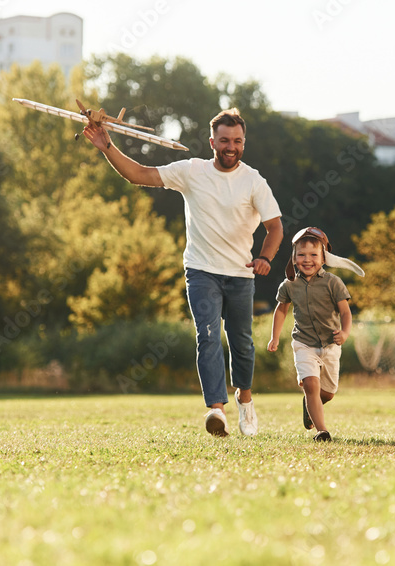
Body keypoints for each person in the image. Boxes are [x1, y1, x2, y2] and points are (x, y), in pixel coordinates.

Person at [83, 108, 282, 438]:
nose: (230, 146)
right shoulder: (192, 171)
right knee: (206, 336)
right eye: (224, 140)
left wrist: (265, 258)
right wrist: (107, 146)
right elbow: (139, 175)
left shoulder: (253, 180)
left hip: (240, 274)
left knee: (242, 344)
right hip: (201, 270)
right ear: (212, 142)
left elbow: (275, 227)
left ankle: (244, 398)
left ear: (243, 143)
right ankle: (216, 410)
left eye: (236, 141)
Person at [266, 227, 363, 441]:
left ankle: (309, 406)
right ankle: (322, 431)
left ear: (324, 257)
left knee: (327, 393)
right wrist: (274, 337)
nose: (307, 260)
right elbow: (281, 310)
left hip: (330, 345)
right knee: (311, 385)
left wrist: (345, 333)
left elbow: (345, 312)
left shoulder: (333, 282)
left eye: (313, 255)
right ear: (293, 257)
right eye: (301, 254)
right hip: (303, 343)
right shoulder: (289, 285)